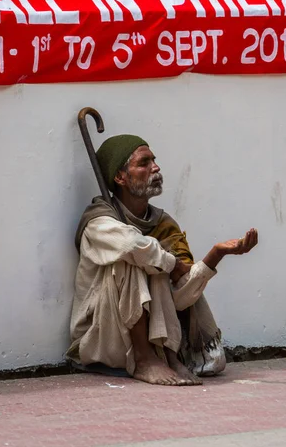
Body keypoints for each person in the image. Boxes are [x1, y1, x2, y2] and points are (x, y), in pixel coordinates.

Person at [67, 135, 258, 386]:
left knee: (156, 261)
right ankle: (144, 359)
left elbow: (180, 299)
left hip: (157, 337)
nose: (155, 168)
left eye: (154, 161)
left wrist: (216, 255)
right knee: (137, 256)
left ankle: (168, 356)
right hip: (103, 339)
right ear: (120, 177)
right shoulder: (98, 221)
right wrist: (173, 264)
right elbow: (132, 245)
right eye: (144, 163)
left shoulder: (162, 224)